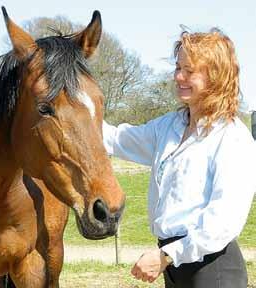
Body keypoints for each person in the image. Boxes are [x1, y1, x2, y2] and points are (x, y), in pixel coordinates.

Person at [103, 29, 256, 288]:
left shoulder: (232, 138)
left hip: (212, 270)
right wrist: (73, 105)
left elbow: (221, 222)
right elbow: (117, 139)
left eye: (189, 70)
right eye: (177, 67)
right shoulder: (170, 127)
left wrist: (166, 256)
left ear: (215, 76)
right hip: (175, 267)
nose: (178, 76)